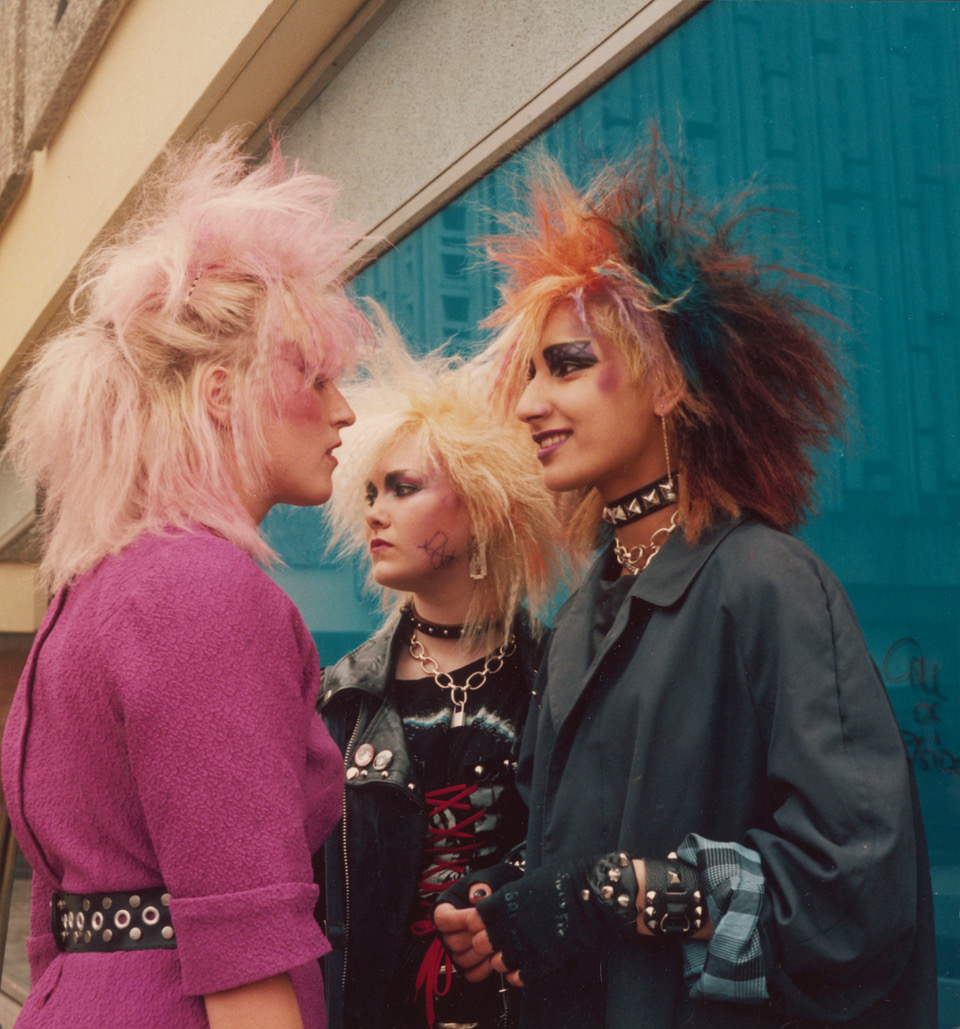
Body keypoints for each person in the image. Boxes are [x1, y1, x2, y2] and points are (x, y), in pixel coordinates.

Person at [435, 139, 937, 1028]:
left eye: (568, 364)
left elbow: (855, 890)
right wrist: (509, 902)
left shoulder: (768, 583)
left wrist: (622, 893)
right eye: (529, 372)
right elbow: (571, 847)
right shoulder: (581, 614)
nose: (526, 405)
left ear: (666, 377)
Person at [0, 134, 369, 1028]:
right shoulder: (200, 592)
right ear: (219, 391)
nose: (345, 410)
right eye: (316, 377)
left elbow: (53, 921)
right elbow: (246, 958)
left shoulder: (97, 589)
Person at [318, 334, 565, 1029]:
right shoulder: (344, 696)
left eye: (403, 488)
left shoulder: (559, 675)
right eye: (369, 491)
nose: (374, 510)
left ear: (482, 502)